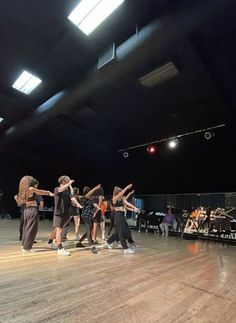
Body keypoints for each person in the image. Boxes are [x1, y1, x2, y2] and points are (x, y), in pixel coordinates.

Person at [17, 176, 54, 253]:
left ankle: (24, 245)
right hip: (32, 210)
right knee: (32, 229)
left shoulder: (22, 190)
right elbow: (40, 191)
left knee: (26, 228)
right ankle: (27, 247)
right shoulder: (31, 189)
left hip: (26, 210)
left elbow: (19, 203)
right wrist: (49, 193)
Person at [48, 176, 83, 256]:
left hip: (66, 213)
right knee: (59, 230)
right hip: (59, 213)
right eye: (67, 180)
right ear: (63, 181)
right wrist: (70, 183)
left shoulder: (67, 192)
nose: (69, 181)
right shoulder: (57, 189)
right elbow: (61, 190)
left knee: (57, 229)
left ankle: (50, 241)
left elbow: (72, 198)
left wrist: (78, 204)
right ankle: (60, 249)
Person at [104, 184, 140, 254]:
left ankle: (108, 243)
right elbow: (121, 193)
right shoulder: (114, 199)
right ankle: (125, 248)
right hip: (118, 216)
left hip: (122, 216)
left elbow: (128, 204)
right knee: (121, 233)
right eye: (121, 192)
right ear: (118, 193)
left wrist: (135, 208)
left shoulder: (122, 199)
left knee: (123, 231)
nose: (122, 194)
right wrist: (126, 187)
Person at [76, 184, 101, 254]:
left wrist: (97, 207)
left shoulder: (90, 199)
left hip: (90, 216)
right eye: (90, 191)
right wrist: (95, 188)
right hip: (85, 216)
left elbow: (93, 204)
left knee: (89, 230)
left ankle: (79, 242)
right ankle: (92, 246)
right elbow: (88, 195)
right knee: (89, 230)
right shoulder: (84, 198)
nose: (91, 192)